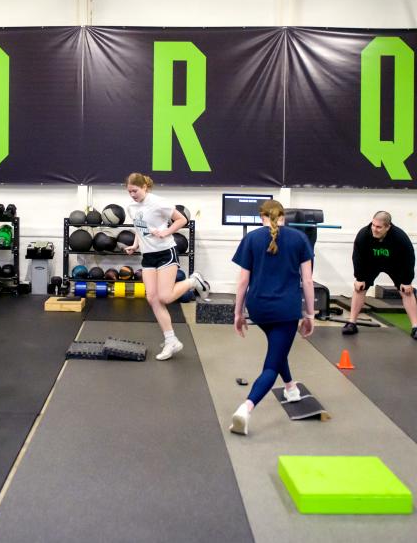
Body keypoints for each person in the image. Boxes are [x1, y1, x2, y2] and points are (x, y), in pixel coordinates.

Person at [229, 200, 314, 435]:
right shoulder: (300, 239)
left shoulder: (252, 238)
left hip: (259, 307)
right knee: (272, 364)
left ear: (261, 217)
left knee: (278, 347)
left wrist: (238, 312)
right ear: (283, 216)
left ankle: (290, 387)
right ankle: (246, 408)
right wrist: (310, 313)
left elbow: (242, 281)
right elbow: (307, 281)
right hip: (286, 309)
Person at [124, 172, 210, 361]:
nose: (132, 195)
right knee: (153, 298)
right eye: (129, 191)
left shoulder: (158, 202)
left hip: (165, 252)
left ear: (144, 187)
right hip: (148, 255)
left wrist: (166, 232)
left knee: (165, 296)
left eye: (135, 191)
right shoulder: (131, 207)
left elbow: (181, 220)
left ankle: (193, 281)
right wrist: (135, 245)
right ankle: (171, 341)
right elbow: (140, 228)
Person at [343, 211, 417, 340]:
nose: (374, 229)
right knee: (359, 288)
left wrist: (407, 281)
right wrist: (359, 278)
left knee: (407, 291)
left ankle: (416, 327)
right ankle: (352, 322)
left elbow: (409, 258)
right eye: (373, 225)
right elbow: (357, 256)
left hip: (394, 263)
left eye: (378, 227)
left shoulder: (400, 237)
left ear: (388, 227)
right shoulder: (364, 234)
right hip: (371, 263)